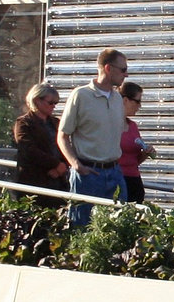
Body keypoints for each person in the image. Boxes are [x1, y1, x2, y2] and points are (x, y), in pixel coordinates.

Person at [58, 49, 130, 226]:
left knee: (117, 228)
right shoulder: (81, 95)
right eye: (123, 69)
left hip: (114, 171)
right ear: (108, 68)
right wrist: (76, 164)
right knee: (83, 228)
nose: (126, 74)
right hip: (89, 172)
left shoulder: (117, 99)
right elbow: (62, 135)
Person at [14, 83, 70, 191]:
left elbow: (65, 144)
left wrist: (62, 166)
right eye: (50, 103)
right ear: (36, 101)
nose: (54, 106)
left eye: (55, 103)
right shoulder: (24, 123)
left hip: (58, 179)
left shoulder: (56, 122)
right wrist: (55, 164)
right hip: (34, 179)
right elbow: (28, 149)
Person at [118, 81, 154, 204]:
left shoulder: (132, 126)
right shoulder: (110, 124)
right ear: (125, 100)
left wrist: (145, 153)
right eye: (137, 101)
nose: (139, 106)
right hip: (117, 179)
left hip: (134, 179)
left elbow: (134, 160)